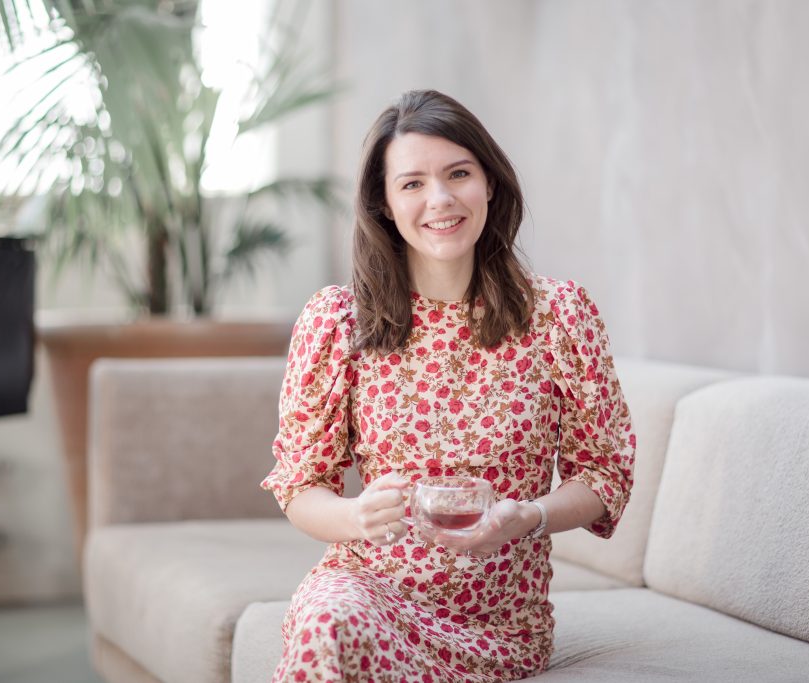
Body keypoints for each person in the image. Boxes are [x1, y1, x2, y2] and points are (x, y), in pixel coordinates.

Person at [261, 89, 635, 682]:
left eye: (458, 173)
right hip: (368, 591)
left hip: (501, 626)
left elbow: (605, 473)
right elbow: (302, 486)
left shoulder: (560, 315)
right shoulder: (337, 321)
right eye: (411, 183)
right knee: (325, 629)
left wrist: (530, 516)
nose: (439, 199)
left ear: (489, 184)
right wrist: (355, 517)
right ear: (384, 203)